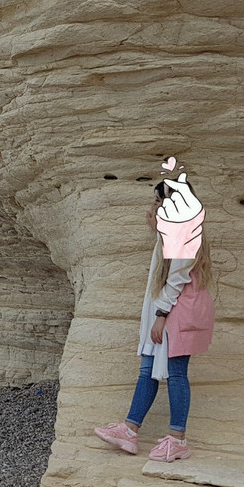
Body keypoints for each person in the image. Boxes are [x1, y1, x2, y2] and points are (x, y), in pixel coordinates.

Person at [94, 179, 215, 463]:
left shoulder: (186, 233)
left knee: (176, 373)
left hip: (177, 313)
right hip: (167, 311)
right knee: (147, 368)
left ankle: (178, 439)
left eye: (161, 201)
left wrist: (161, 316)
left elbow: (177, 278)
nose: (155, 205)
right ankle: (130, 429)